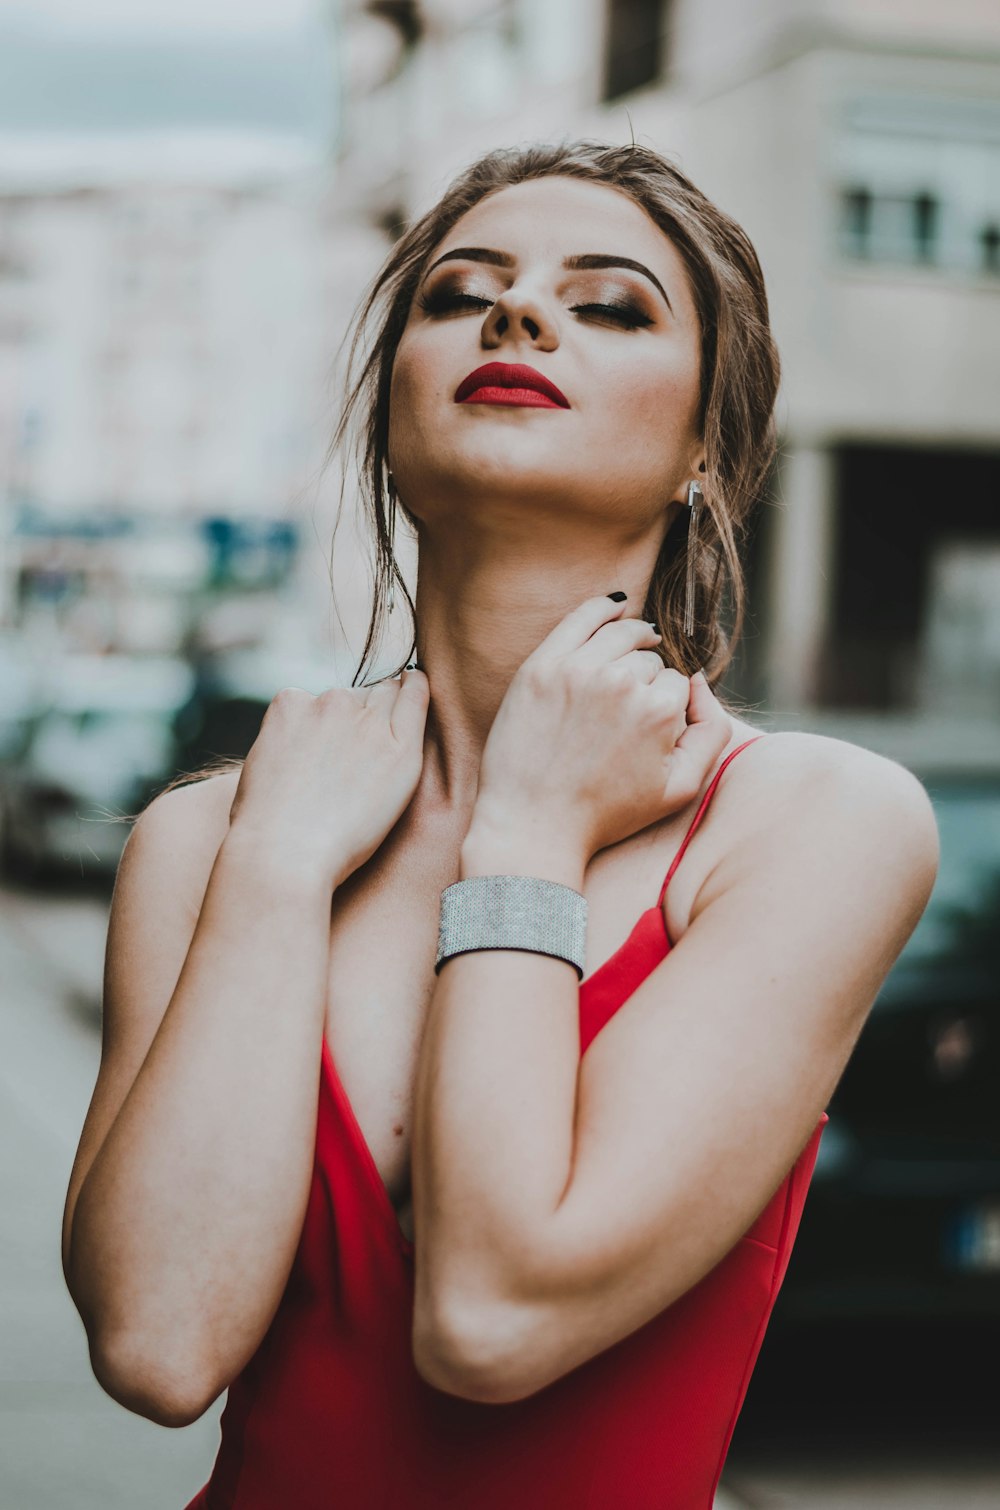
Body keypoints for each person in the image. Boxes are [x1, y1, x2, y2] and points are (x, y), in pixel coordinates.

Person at [61, 141, 939, 1508]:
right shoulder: (213, 841)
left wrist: (526, 826)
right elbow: (160, 1343)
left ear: (706, 445)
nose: (517, 317)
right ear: (389, 416)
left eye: (609, 306)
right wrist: (281, 866)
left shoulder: (810, 823)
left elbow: (493, 1321)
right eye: (459, 293)